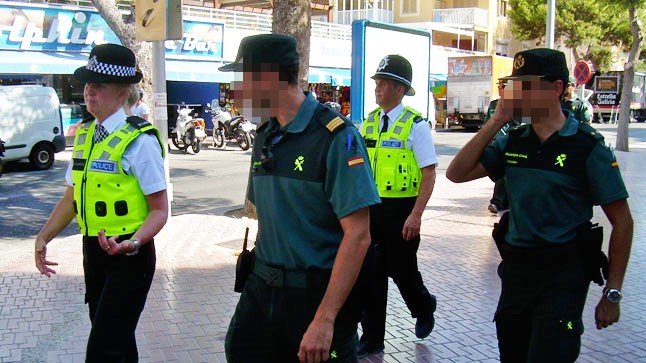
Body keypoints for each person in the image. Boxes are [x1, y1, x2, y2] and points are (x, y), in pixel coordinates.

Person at [446, 48, 633, 362]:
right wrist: (497, 121)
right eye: (514, 86)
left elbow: (623, 222)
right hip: (517, 272)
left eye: (526, 86)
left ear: (556, 88)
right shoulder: (513, 141)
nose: (517, 95)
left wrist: (612, 292)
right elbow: (456, 173)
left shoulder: (586, 147)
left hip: (563, 276)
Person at [219, 33, 380, 363]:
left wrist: (325, 319)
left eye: (243, 79)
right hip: (261, 290)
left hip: (314, 295)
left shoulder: (337, 137)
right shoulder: (266, 135)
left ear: (269, 78)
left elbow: (359, 236)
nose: (237, 91)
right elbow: (264, 215)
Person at [34, 43, 168, 362]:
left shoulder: (140, 141)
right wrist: (43, 236)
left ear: (123, 93)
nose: (90, 93)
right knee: (116, 343)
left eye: (100, 86)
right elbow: (71, 198)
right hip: (94, 251)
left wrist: (133, 242)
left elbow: (160, 211)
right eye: (88, 86)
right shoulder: (84, 136)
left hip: (129, 255)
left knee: (103, 349)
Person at [357, 54, 438, 358]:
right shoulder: (368, 122)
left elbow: (429, 174)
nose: (377, 87)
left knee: (402, 272)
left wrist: (416, 215)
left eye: (384, 82)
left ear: (400, 89)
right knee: (371, 274)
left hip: (403, 210)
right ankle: (372, 338)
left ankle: (423, 304)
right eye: (377, 81)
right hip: (371, 209)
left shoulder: (415, 126)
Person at [484, 79, 521, 214]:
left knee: (507, 174)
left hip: (512, 144)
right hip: (497, 144)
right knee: (500, 174)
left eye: (503, 87)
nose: (500, 89)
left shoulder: (518, 105)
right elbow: (487, 124)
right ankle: (500, 202)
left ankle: (498, 202)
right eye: (499, 87)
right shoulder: (494, 105)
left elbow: (520, 125)